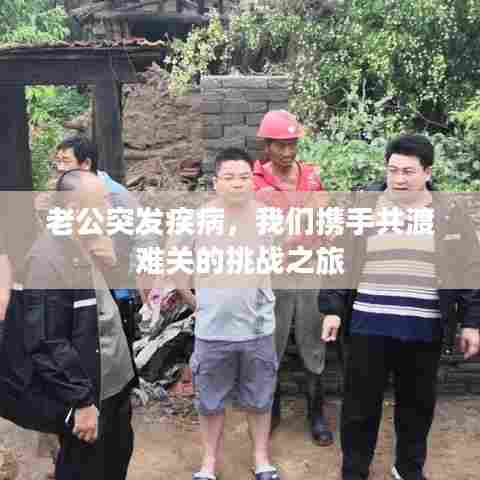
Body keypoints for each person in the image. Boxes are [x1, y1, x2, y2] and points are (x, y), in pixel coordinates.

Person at [318, 134, 480, 480]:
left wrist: (471, 322)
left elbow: (469, 269)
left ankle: (408, 468)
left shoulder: (450, 214)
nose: (399, 179)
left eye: (408, 171)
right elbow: (339, 259)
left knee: (417, 407)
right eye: (393, 170)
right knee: (359, 407)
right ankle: (354, 469)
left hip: (424, 327)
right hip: (368, 325)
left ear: (428, 172)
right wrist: (332, 308)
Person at [169, 148, 281, 480]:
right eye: (229, 177)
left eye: (244, 177)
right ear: (215, 182)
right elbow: (177, 265)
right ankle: (209, 463)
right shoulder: (198, 219)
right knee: (210, 400)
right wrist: (195, 302)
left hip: (258, 328)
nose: (237, 183)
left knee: (259, 398)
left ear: (252, 181)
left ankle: (261, 459)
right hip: (212, 329)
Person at [22, 169, 138, 480]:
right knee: (84, 469)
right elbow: (47, 341)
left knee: (115, 460)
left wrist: (111, 267)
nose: (110, 210)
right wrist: (81, 401)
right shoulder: (48, 260)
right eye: (103, 203)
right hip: (88, 395)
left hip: (114, 387)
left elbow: (109, 311)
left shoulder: (91, 246)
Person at [253, 110, 334, 445]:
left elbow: (325, 219)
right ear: (267, 145)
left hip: (310, 266)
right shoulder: (256, 182)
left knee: (313, 338)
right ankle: (270, 409)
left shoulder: (312, 176)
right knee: (271, 339)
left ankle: (316, 411)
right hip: (274, 270)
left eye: (292, 144)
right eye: (280, 145)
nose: (287, 152)